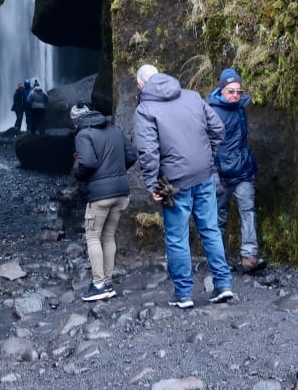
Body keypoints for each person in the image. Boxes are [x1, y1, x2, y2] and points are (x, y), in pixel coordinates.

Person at [132, 63, 234, 309]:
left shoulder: (145, 109)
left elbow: (148, 152)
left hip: (174, 183)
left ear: (141, 85)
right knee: (210, 229)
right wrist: (207, 158)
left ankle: (184, 294)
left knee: (178, 237)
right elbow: (218, 129)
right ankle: (223, 285)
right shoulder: (192, 96)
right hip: (204, 174)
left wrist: (153, 184)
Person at [70, 101, 138, 301]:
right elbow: (132, 155)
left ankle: (98, 284)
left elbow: (88, 163)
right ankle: (108, 283)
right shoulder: (115, 130)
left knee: (93, 237)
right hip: (121, 193)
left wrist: (78, 173)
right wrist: (116, 173)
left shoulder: (83, 134)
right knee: (108, 237)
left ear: (77, 121)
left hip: (100, 196)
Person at [207, 68, 267, 274]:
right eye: (231, 91)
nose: (235, 95)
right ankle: (218, 260)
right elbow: (206, 145)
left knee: (248, 212)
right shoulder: (211, 111)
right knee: (218, 218)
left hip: (243, 170)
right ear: (221, 89)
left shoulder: (240, 106)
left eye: (238, 91)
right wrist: (214, 174)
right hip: (221, 174)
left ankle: (249, 257)